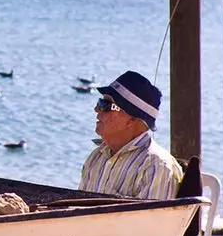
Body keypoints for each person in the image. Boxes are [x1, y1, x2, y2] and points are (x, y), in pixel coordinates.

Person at [78, 70, 184, 200]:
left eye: (105, 105)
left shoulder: (156, 166)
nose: (97, 109)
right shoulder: (96, 157)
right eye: (100, 102)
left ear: (133, 119)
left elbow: (154, 220)